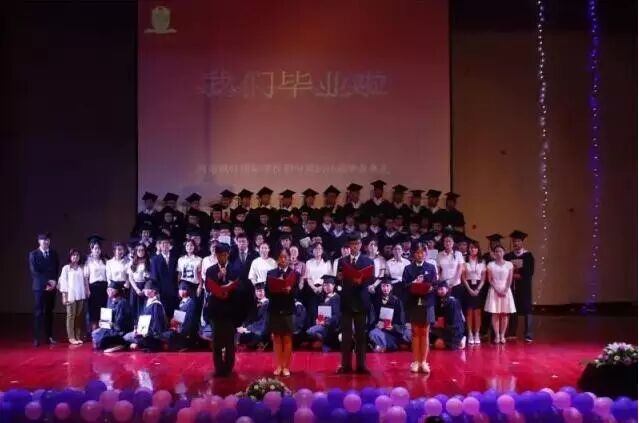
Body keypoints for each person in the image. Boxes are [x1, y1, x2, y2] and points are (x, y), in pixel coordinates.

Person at [335, 233, 375, 374]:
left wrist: (361, 280)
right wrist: (339, 277)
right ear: (349, 246)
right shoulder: (342, 261)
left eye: (357, 244)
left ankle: (361, 365)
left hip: (361, 300)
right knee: (346, 336)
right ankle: (345, 365)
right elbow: (338, 279)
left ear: (360, 245)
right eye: (352, 244)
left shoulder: (368, 261)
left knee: (360, 336)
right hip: (347, 300)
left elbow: (371, 279)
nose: (354, 247)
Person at [206, 243, 244, 377]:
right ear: (216, 256)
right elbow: (208, 288)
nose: (222, 257)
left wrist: (229, 286)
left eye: (224, 255)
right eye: (219, 255)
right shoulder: (210, 270)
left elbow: (240, 288)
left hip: (229, 309)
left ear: (228, 255)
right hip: (216, 310)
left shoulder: (235, 269)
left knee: (229, 341)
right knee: (217, 341)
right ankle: (219, 368)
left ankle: (228, 368)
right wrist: (218, 277)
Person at [402, 246, 437, 373]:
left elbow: (435, 284)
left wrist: (430, 288)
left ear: (426, 254)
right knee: (416, 332)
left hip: (427, 303)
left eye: (422, 252)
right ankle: (416, 361)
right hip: (413, 303)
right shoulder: (408, 268)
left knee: (425, 332)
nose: (420, 255)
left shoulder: (431, 267)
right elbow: (404, 286)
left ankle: (424, 361)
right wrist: (414, 283)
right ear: (413, 254)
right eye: (417, 252)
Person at [266, 249, 299, 377]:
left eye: (285, 257)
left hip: (288, 309)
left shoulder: (294, 274)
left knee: (287, 337)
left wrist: (290, 290)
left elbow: (297, 292)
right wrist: (276, 288)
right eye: (280, 257)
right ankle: (279, 365)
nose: (283, 259)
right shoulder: (271, 273)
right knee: (277, 337)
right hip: (274, 308)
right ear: (277, 259)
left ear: (289, 258)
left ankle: (286, 366)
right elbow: (267, 292)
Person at [29, 232, 60, 346]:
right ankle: (37, 338)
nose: (46, 242)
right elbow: (34, 272)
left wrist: (54, 281)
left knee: (49, 312)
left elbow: (56, 269)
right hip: (40, 287)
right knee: (39, 312)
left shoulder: (53, 253)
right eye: (43, 239)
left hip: (52, 287)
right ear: (39, 241)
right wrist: (47, 282)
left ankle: (49, 337)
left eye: (47, 240)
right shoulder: (33, 254)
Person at [504, 230, 535, 343]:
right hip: (512, 287)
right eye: (514, 241)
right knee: (513, 309)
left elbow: (530, 271)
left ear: (522, 242)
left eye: (518, 241)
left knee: (527, 309)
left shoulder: (528, 255)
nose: (516, 243)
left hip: (524, 287)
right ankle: (512, 332)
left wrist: (519, 275)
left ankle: (528, 334)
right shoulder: (508, 256)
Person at [124, 279, 167, 351]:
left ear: (154, 291)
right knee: (126, 337)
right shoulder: (147, 302)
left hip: (151, 335)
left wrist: (145, 333)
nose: (145, 290)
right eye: (145, 289)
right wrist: (137, 329)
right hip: (143, 331)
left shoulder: (156, 305)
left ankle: (140, 345)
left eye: (148, 289)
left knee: (128, 338)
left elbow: (157, 325)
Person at [485, 245, 516, 344]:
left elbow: (510, 279)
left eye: (500, 251)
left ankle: (502, 335)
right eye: (496, 251)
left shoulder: (509, 264)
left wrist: (505, 289)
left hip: (506, 290)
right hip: (494, 289)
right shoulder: (490, 264)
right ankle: (497, 335)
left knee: (504, 313)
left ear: (504, 252)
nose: (498, 253)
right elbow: (490, 280)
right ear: (494, 253)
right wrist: (497, 290)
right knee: (495, 313)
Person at [58, 248, 89, 345]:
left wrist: (86, 291)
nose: (75, 257)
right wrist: (64, 296)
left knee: (78, 316)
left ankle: (77, 336)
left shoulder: (81, 268)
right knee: (71, 316)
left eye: (77, 255)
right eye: (73, 255)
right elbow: (63, 282)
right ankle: (71, 337)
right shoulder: (66, 268)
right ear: (70, 257)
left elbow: (85, 281)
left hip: (80, 294)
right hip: (70, 295)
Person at [91, 281, 133, 352]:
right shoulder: (111, 301)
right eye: (108, 289)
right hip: (111, 327)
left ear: (117, 291)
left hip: (120, 330)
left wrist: (111, 324)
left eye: (111, 289)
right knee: (94, 334)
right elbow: (107, 317)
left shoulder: (122, 303)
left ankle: (121, 345)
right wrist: (102, 322)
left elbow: (120, 323)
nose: (108, 291)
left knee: (102, 341)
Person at [368, 277, 406, 352]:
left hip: (392, 332)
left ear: (391, 287)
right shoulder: (376, 302)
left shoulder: (397, 302)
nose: (385, 289)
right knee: (373, 333)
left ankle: (381, 346)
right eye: (383, 286)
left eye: (387, 286)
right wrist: (376, 324)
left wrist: (393, 327)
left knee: (406, 334)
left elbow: (401, 322)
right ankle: (385, 346)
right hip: (379, 330)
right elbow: (372, 319)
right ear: (380, 287)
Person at [306, 275, 341, 352]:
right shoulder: (323, 297)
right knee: (310, 332)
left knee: (312, 331)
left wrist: (325, 322)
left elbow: (336, 316)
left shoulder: (336, 298)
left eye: (328, 285)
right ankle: (325, 341)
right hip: (323, 324)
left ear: (334, 285)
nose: (326, 287)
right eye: (324, 285)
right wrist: (318, 320)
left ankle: (329, 341)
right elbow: (322, 312)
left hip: (331, 325)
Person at [303, 242, 332, 327]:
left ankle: (322, 330)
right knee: (313, 311)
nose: (317, 250)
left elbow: (329, 277)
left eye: (319, 248)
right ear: (313, 251)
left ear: (322, 250)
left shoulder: (327, 262)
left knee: (323, 312)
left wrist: (322, 287)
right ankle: (313, 330)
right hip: (312, 289)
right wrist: (314, 288)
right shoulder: (309, 262)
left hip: (324, 289)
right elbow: (308, 277)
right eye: (315, 249)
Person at [462, 241, 486, 345]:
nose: (473, 250)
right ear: (468, 249)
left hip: (478, 287)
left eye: (475, 248)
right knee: (469, 312)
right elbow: (463, 277)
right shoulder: (464, 261)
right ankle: (470, 333)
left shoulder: (482, 261)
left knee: (477, 312)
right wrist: (469, 289)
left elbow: (483, 278)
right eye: (471, 248)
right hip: (468, 287)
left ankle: (477, 333)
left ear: (478, 249)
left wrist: (478, 289)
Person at [150, 234, 179, 319]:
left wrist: (178, 289)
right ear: (159, 246)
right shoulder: (155, 259)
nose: (165, 245)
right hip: (162, 291)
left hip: (174, 290)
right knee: (163, 315)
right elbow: (154, 276)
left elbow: (177, 275)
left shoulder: (175, 258)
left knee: (174, 314)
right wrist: (156, 291)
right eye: (162, 243)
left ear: (170, 245)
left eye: (167, 243)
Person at [163, 281, 198, 351]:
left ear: (188, 290)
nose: (181, 291)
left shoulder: (190, 303)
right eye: (180, 289)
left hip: (185, 331)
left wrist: (179, 329)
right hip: (178, 328)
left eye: (184, 289)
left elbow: (189, 320)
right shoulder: (181, 302)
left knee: (169, 337)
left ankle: (184, 345)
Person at [431, 281, 466, 350]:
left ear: (447, 289)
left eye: (441, 289)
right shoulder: (451, 300)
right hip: (453, 329)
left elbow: (441, 323)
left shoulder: (449, 302)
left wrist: (431, 325)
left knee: (437, 343)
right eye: (438, 289)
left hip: (452, 331)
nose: (439, 291)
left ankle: (459, 341)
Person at [85, 235, 108, 331]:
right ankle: (94, 333)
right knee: (94, 311)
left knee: (105, 310)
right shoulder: (88, 261)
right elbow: (86, 277)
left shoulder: (105, 260)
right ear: (91, 249)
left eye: (99, 248)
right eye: (95, 248)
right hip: (93, 288)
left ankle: (105, 332)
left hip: (104, 287)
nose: (97, 250)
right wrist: (87, 290)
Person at [237, 283, 269, 350]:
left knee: (254, 336)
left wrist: (248, 328)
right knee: (237, 331)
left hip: (261, 329)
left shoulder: (267, 304)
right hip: (253, 327)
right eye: (257, 291)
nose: (259, 293)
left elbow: (264, 321)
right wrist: (243, 326)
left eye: (261, 291)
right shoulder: (255, 303)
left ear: (264, 291)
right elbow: (250, 317)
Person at [436, 235, 465, 302]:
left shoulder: (458, 254)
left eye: (450, 241)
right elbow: (438, 270)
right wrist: (440, 282)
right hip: (443, 284)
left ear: (453, 243)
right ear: (443, 243)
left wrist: (453, 282)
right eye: (446, 241)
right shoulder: (439, 255)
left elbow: (460, 269)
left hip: (456, 283)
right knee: (445, 303)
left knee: (455, 303)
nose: (448, 243)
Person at [127, 243, 150, 321]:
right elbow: (130, 278)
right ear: (136, 251)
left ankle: (143, 327)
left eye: (142, 250)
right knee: (134, 307)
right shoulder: (132, 262)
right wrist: (137, 289)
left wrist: (145, 289)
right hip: (135, 287)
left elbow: (150, 277)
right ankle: (135, 326)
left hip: (145, 286)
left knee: (144, 308)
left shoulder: (149, 262)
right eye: (139, 250)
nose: (141, 252)